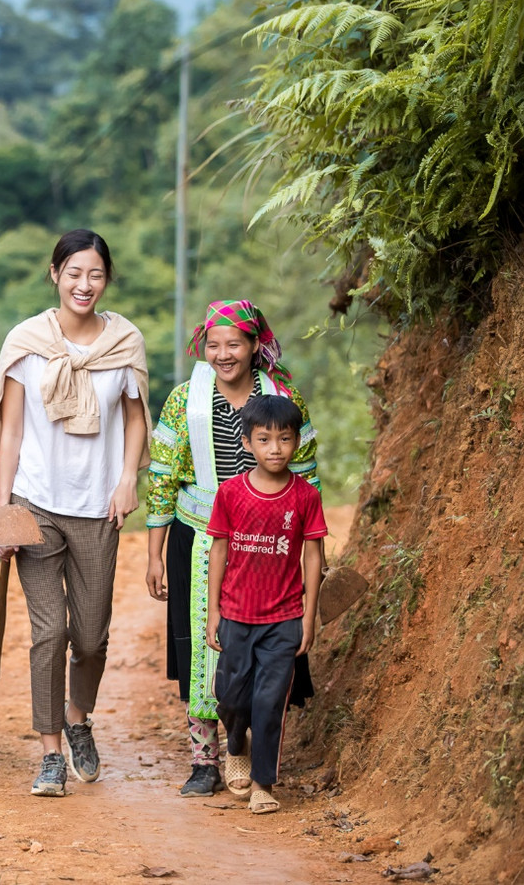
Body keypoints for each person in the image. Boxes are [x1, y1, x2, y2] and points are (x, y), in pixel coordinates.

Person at [0, 228, 152, 797]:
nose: (85, 284)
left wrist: (128, 479)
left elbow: (135, 418)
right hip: (35, 503)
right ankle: (51, 752)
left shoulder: (124, 343)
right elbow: (11, 431)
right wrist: (5, 509)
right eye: (74, 273)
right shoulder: (27, 342)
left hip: (97, 507)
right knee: (50, 632)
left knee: (89, 637)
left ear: (107, 280)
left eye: (96, 274)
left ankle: (77, 717)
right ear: (55, 274)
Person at [145, 300, 318, 797]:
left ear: (254, 345)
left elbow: (307, 477)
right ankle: (204, 760)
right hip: (198, 535)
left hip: (269, 543)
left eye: (234, 344)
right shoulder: (185, 400)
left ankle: (244, 746)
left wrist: (312, 555)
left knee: (260, 650)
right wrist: (155, 553)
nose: (223, 354)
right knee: (202, 647)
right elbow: (163, 476)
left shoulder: (283, 399)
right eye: (214, 345)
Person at [205, 394, 326, 814]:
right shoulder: (230, 493)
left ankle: (262, 783)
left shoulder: (305, 496)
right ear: (247, 443)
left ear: (296, 442)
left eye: (284, 439)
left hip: (284, 618)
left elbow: (313, 556)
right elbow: (219, 550)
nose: (275, 449)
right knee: (231, 698)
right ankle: (236, 744)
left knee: (270, 702)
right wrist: (214, 611)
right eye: (264, 439)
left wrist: (309, 617)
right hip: (236, 614)